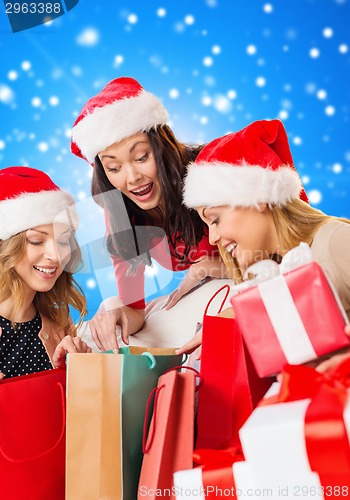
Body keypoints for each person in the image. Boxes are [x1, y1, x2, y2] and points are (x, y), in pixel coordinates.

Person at [71, 76, 227, 351]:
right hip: (208, 298)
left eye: (141, 157)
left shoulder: (208, 171)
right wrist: (114, 309)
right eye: (114, 168)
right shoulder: (121, 209)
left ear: (161, 147)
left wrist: (206, 268)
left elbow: (275, 258)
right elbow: (135, 312)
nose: (132, 178)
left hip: (252, 284)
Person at [179, 118, 350, 369]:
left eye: (215, 219)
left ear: (258, 198)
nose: (213, 238)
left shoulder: (334, 241)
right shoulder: (275, 277)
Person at [0, 166, 91, 379]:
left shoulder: (60, 327)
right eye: (37, 241)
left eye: (63, 240)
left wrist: (80, 370)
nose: (56, 255)